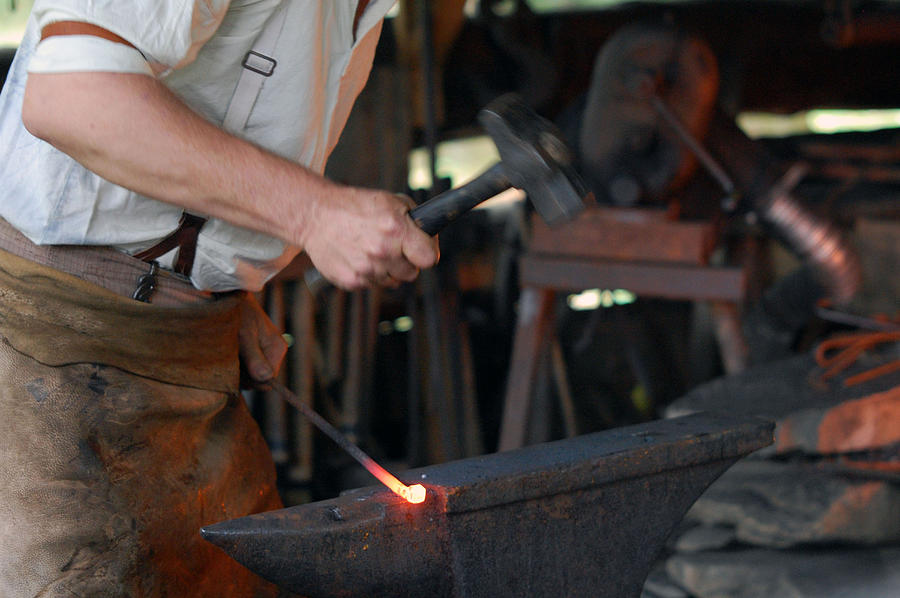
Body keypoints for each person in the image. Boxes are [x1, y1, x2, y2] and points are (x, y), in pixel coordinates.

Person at [0, 1, 439, 596]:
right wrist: (314, 211)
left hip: (189, 357)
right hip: (45, 353)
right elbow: (72, 95)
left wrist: (212, 279)